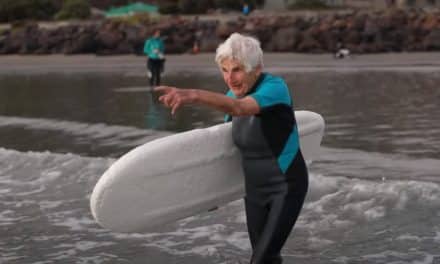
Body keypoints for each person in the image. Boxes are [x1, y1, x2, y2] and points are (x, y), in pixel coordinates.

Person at [155, 33, 308, 264]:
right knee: (266, 257)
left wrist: (194, 94)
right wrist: (211, 195)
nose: (230, 78)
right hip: (254, 191)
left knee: (261, 258)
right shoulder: (230, 97)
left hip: (286, 187)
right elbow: (225, 152)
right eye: (224, 70)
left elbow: (240, 108)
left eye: (237, 69)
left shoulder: (275, 88)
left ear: (256, 68)